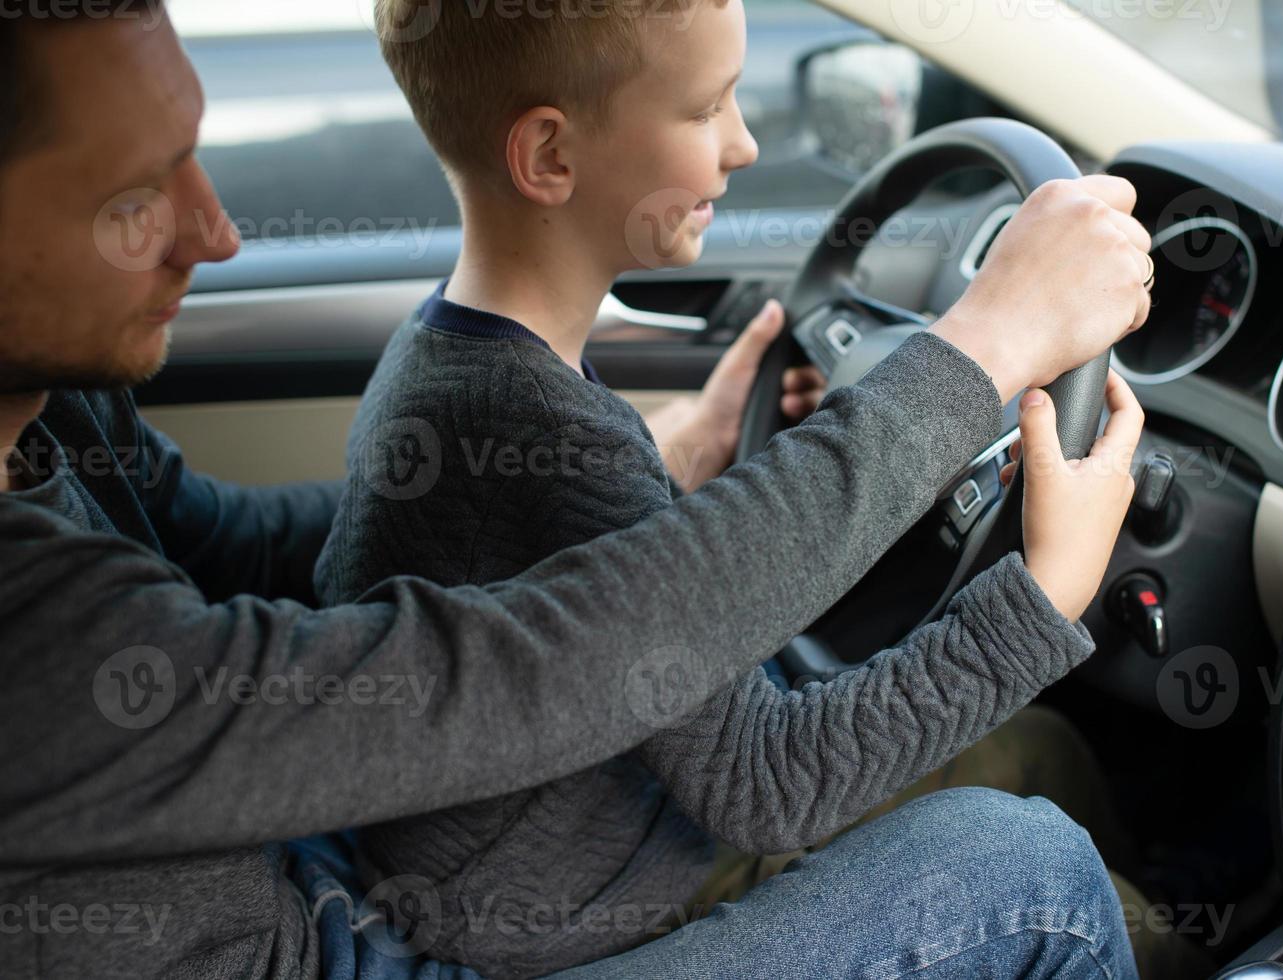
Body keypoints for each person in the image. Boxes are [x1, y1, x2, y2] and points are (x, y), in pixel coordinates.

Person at [0, 3, 1152, 979]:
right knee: (1027, 870)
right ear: (548, 155)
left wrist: (661, 465)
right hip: (386, 942)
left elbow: (235, 550)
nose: (220, 233)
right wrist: (988, 380)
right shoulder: (28, 643)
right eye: (136, 194)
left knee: (1037, 761)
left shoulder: (52, 420)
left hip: (357, 870)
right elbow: (572, 672)